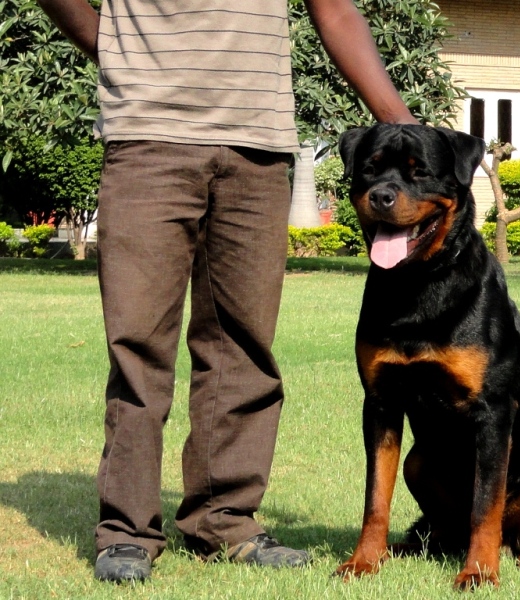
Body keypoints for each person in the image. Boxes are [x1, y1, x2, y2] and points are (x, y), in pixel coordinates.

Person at [37, 0, 418, 583]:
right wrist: (113, 48)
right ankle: (127, 533)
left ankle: (226, 520)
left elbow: (335, 8)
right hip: (149, 136)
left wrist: (401, 122)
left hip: (259, 146)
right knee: (140, 344)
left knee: (243, 344)